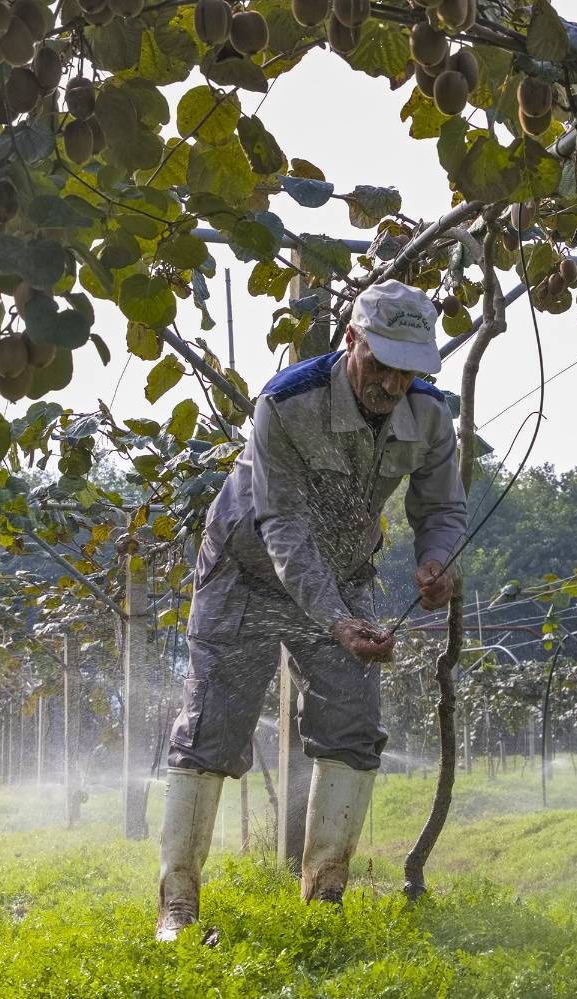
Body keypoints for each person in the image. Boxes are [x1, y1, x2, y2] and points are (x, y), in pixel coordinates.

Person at [155, 280, 467, 942]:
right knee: (212, 724)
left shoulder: (433, 417)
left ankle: (325, 893)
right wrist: (332, 617)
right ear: (350, 340)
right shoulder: (286, 403)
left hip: (346, 573)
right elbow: (284, 526)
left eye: (406, 371)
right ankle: (177, 902)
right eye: (378, 363)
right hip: (246, 568)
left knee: (353, 722)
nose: (390, 383)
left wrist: (441, 560)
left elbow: (442, 509)